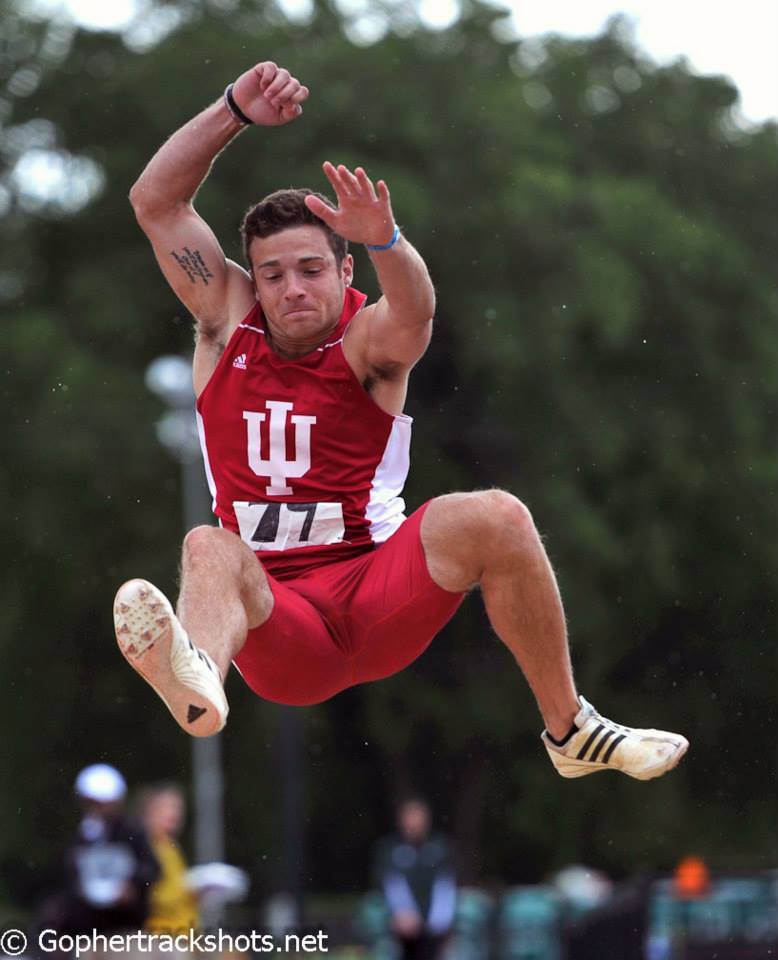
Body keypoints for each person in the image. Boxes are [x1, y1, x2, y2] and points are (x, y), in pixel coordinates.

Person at [114, 59, 688, 781]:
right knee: (208, 544)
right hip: (279, 625)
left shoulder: (368, 341)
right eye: (273, 274)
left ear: (345, 273)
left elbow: (416, 310)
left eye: (311, 269)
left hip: (375, 593)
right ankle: (198, 673)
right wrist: (233, 107)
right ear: (251, 279)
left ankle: (571, 731)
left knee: (497, 515)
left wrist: (387, 242)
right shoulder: (225, 322)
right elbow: (156, 202)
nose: (292, 289)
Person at [52, 764, 160, 935]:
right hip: (88, 928)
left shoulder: (132, 832)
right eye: (94, 803)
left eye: (104, 803)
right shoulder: (80, 836)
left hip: (128, 926)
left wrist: (132, 885)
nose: (99, 808)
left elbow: (153, 869)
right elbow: (66, 878)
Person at [373, 798, 456, 960]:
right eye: (410, 818)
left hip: (435, 924)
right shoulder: (388, 849)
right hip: (401, 923)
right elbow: (392, 886)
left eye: (418, 818)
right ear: (401, 821)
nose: (414, 824)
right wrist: (403, 913)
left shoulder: (441, 848)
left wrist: (439, 923)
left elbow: (445, 887)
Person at [137, 783, 199, 935]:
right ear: (150, 811)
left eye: (178, 808)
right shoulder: (146, 846)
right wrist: (190, 891)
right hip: (161, 936)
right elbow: (151, 896)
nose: (175, 814)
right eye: (168, 807)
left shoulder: (170, 847)